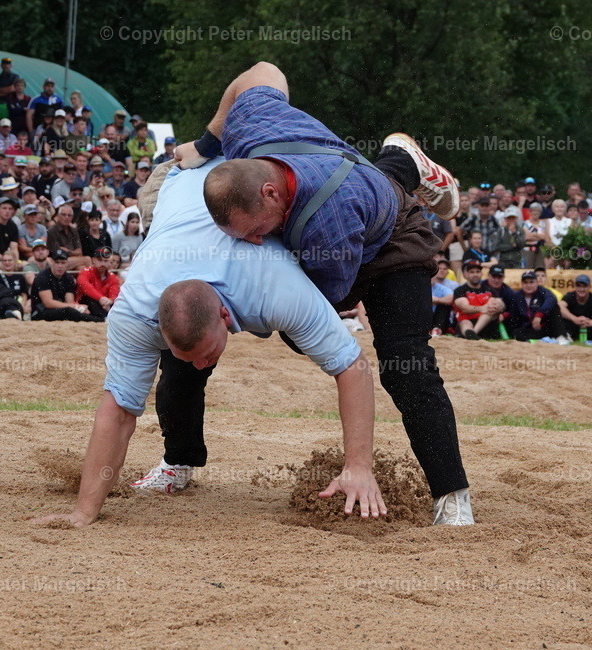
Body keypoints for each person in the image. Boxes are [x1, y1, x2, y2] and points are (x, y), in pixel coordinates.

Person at [181, 62, 471, 523]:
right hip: (353, 181)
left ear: (272, 193)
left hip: (392, 241)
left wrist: (268, 317)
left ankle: (453, 499)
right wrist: (205, 143)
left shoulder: (324, 225)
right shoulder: (252, 123)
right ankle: (401, 160)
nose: (254, 241)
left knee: (403, 365)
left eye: (257, 230)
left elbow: (323, 310)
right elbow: (262, 70)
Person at [31, 160, 393, 529]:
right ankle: (178, 460)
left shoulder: (276, 289)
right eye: (187, 355)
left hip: (229, 171)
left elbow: (353, 366)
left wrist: (359, 468)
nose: (202, 364)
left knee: (340, 230)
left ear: (225, 316)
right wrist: (83, 512)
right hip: (175, 194)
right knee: (178, 378)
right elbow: (119, 410)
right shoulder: (133, 312)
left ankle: (399, 166)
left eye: (205, 355)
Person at [508, 270, 566, 342]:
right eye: (526, 282)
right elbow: (513, 314)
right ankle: (530, 342)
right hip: (528, 328)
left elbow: (552, 299)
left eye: (531, 282)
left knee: (554, 307)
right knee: (516, 332)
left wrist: (539, 315)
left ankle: (561, 337)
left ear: (537, 283)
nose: (529, 285)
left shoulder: (543, 291)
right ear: (522, 284)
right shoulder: (517, 296)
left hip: (544, 326)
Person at [452, 260, 504, 340]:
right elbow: (465, 307)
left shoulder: (490, 290)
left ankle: (473, 334)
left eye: (478, 272)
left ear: (481, 274)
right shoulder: (460, 290)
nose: (475, 274)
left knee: (489, 312)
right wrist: (482, 308)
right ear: (466, 275)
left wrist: (498, 306)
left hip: (487, 324)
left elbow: (500, 304)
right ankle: (471, 334)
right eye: (472, 272)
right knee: (465, 322)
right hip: (467, 322)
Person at [76, 246, 120, 318]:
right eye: (99, 260)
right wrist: (100, 298)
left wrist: (110, 301)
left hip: (103, 305)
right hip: (87, 304)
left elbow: (114, 293)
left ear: (109, 262)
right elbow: (84, 286)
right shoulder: (86, 272)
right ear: (93, 260)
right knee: (89, 299)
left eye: (105, 261)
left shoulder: (113, 277)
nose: (102, 263)